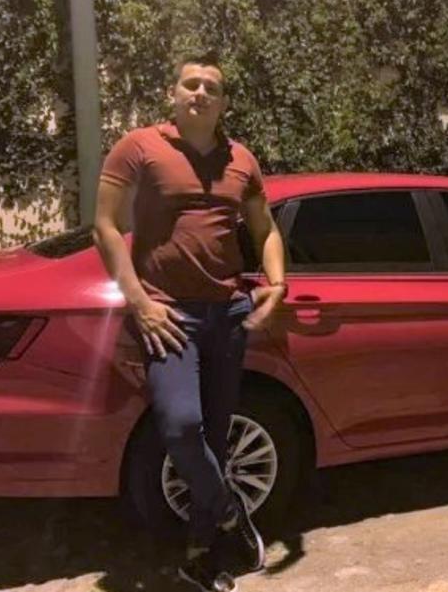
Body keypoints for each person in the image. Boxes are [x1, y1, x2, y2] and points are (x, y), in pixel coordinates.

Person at [92, 51, 287, 591]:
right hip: (167, 315)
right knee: (180, 427)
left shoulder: (241, 159)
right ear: (173, 94)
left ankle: (202, 557)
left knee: (215, 439)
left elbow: (265, 229)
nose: (200, 92)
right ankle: (229, 512)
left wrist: (277, 285)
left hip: (228, 314)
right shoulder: (139, 147)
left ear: (223, 103)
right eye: (191, 84)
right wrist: (139, 301)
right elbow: (105, 226)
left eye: (211, 87)